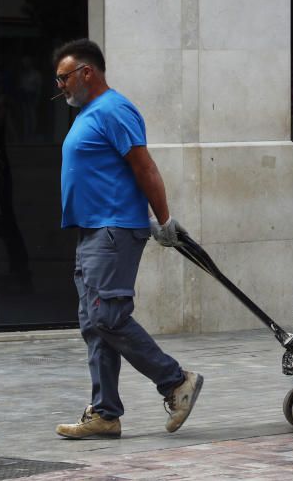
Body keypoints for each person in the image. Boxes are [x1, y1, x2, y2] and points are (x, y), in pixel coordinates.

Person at [52, 39, 203, 440]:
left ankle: (175, 381)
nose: (60, 86)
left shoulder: (114, 109)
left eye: (64, 77)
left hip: (114, 230)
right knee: (93, 324)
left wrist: (164, 219)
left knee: (107, 317)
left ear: (88, 72)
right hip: (92, 232)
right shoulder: (88, 113)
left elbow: (144, 166)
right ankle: (105, 414)